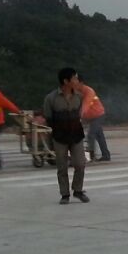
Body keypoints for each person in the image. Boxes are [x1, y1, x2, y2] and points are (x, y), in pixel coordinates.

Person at [43, 67, 89, 204]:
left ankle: (78, 190)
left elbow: (79, 114)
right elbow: (48, 118)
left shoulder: (79, 96)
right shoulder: (51, 98)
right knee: (62, 167)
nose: (77, 81)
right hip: (60, 136)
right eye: (74, 78)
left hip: (76, 135)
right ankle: (65, 194)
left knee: (80, 164)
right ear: (66, 81)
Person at [76, 75, 110, 162]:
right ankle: (106, 155)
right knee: (99, 136)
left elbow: (85, 105)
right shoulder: (75, 91)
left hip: (98, 115)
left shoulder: (89, 91)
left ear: (81, 83)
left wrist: (79, 117)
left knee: (91, 135)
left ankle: (91, 156)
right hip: (89, 117)